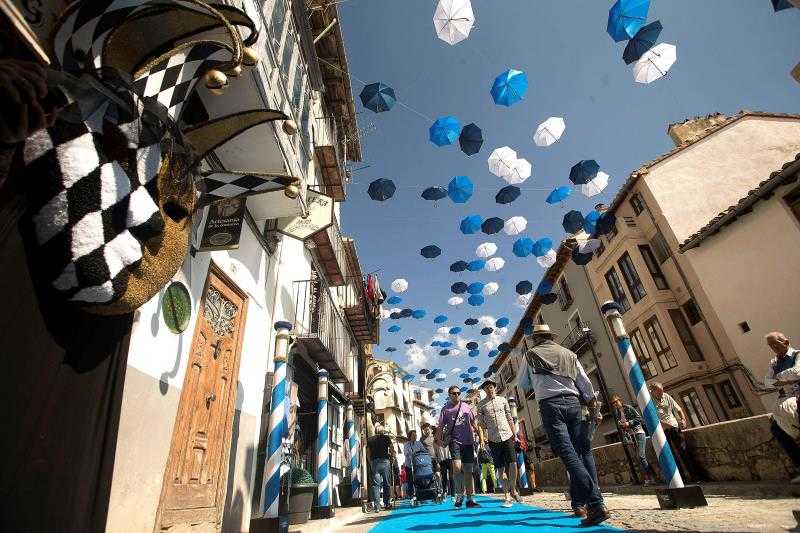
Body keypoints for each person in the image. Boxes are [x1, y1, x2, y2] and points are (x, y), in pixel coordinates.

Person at [525, 324, 609, 526]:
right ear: (550, 336)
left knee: (568, 454)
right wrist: (591, 401)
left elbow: (524, 384)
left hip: (550, 406)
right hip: (574, 404)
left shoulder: (530, 355)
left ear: (536, 338)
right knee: (580, 452)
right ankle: (582, 503)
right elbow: (584, 380)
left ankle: (596, 503)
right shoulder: (569, 353)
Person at [436, 384, 483, 508]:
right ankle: (459, 495)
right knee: (457, 467)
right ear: (449, 395)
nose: (456, 395)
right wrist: (438, 440)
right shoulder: (446, 409)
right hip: (454, 441)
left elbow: (474, 423)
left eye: (458, 393)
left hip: (468, 442)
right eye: (454, 393)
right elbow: (440, 426)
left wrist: (481, 437)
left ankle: (469, 499)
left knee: (468, 471)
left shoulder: (466, 407)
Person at [650, 382, 706, 483]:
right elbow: (654, 419)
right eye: (659, 392)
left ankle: (695, 476)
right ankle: (681, 478)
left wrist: (683, 419)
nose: (661, 394)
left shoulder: (666, 396)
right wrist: (668, 425)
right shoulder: (649, 402)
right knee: (672, 455)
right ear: (653, 392)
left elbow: (678, 408)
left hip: (674, 427)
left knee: (684, 451)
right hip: (663, 431)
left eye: (662, 391)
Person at [476, 378, 520, 507]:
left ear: (494, 388)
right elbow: (480, 424)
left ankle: (513, 489)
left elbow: (509, 418)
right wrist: (482, 437)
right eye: (486, 388)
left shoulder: (503, 400)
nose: (489, 389)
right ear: (484, 390)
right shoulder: (481, 405)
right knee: (500, 468)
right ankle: (507, 495)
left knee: (513, 464)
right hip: (493, 439)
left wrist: (515, 435)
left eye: (491, 387)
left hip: (507, 435)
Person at [764, 332, 800, 482]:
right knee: (776, 430)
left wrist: (779, 379)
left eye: (776, 344)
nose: (774, 348)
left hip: (797, 397)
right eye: (771, 346)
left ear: (785, 342)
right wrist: (786, 380)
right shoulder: (774, 363)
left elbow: (797, 371)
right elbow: (767, 382)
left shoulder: (797, 355)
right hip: (784, 400)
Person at [611, 394, 657, 485]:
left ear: (620, 400)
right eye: (613, 403)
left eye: (616, 401)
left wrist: (629, 423)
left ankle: (650, 478)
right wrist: (622, 425)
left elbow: (639, 418)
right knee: (639, 458)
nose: (615, 404)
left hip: (639, 433)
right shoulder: (617, 413)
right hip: (630, 436)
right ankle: (652, 476)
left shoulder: (628, 408)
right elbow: (622, 425)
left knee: (641, 456)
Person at [366, 424, 396, 512]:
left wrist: (370, 462)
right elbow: (391, 448)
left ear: (375, 431)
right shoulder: (386, 438)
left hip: (375, 463)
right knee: (386, 483)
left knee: (376, 485)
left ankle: (377, 506)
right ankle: (386, 503)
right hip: (385, 462)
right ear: (382, 431)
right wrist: (393, 456)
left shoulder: (370, 439)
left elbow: (368, 452)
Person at [402, 429, 418, 499]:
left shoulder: (418, 443)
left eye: (415, 435)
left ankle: (419, 492)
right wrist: (411, 453)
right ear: (410, 436)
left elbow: (423, 450)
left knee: (418, 478)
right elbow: (405, 453)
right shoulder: (406, 444)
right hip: (409, 464)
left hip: (417, 464)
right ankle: (411, 494)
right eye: (413, 435)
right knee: (410, 480)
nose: (415, 437)